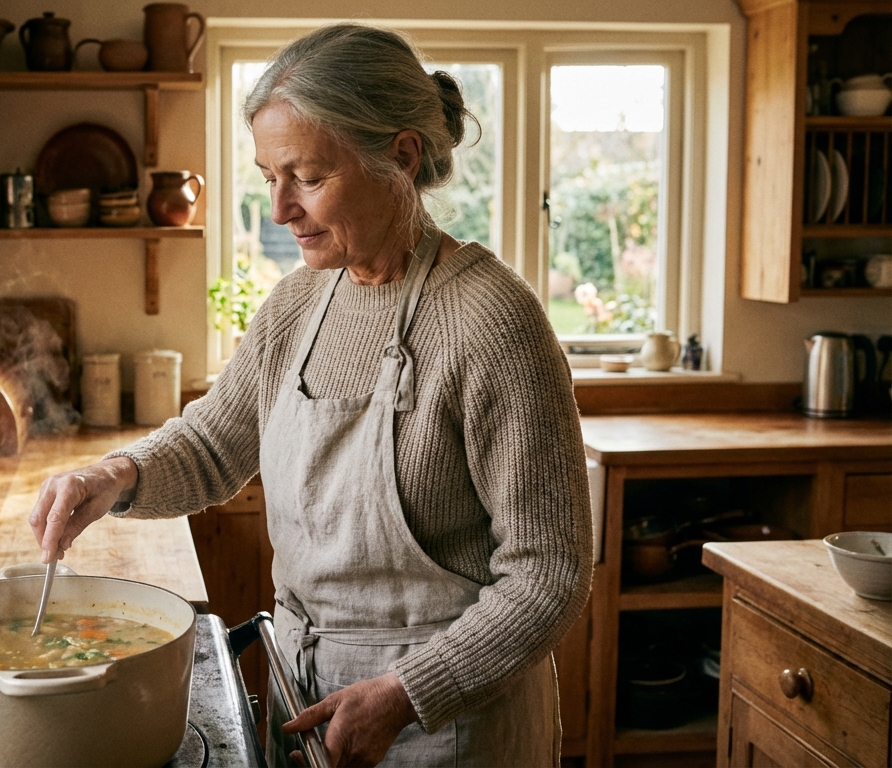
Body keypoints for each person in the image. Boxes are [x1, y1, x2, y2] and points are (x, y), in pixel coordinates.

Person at [29, 23, 592, 768]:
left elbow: (549, 572)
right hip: (306, 696)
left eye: (308, 176)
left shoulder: (492, 322)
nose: (279, 209)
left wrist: (403, 694)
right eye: (269, 176)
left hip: (447, 725)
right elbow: (211, 445)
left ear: (400, 156)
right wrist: (115, 477)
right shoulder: (299, 303)